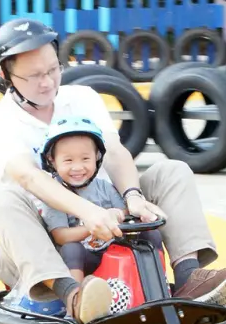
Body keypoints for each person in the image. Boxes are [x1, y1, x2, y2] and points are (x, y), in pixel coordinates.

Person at [0, 19, 226, 324]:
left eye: (52, 69)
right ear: (4, 74)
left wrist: (133, 196)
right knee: (1, 198)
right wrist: (88, 213)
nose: (47, 82)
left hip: (109, 225)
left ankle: (189, 278)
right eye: (34, 76)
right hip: (45, 244)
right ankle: (72, 295)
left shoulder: (82, 98)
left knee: (171, 170)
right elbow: (29, 177)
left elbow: (113, 152)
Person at [39, 116, 163, 289]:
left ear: (97, 158)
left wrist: (119, 214)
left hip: (113, 250)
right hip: (84, 258)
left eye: (85, 159)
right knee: (70, 249)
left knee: (151, 235)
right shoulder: (55, 194)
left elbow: (125, 213)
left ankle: (158, 287)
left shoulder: (103, 187)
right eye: (68, 160)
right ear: (52, 160)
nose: (77, 167)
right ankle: (77, 300)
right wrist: (94, 225)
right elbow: (61, 236)